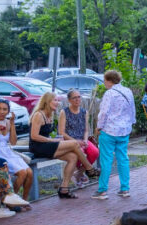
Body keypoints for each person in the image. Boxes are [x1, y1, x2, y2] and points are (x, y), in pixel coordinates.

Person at [29, 91, 99, 199]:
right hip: (38, 147)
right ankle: (89, 169)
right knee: (75, 144)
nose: (57, 102)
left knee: (73, 157)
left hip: (47, 145)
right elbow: (34, 136)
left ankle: (64, 189)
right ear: (47, 102)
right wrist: (51, 140)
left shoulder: (50, 115)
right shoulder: (39, 114)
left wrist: (54, 139)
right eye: (55, 100)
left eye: (58, 100)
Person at [93, 70, 136, 200]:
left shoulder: (109, 93)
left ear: (108, 80)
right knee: (123, 158)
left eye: (105, 80)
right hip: (124, 130)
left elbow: (104, 112)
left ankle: (102, 190)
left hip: (109, 130)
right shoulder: (128, 91)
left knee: (106, 160)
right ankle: (125, 188)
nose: (104, 83)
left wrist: (99, 126)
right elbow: (132, 109)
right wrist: (130, 123)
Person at [0, 99, 34, 206]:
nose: (1, 112)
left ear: (8, 112)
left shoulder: (8, 122)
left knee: (29, 172)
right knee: (22, 173)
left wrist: (12, 124)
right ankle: (12, 202)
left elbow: (13, 142)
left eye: (4, 109)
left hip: (8, 151)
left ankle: (24, 200)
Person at [58, 89, 99, 185]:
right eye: (74, 98)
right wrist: (76, 141)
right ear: (69, 100)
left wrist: (85, 140)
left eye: (79, 97)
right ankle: (78, 173)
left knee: (95, 152)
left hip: (82, 139)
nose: (77, 99)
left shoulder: (85, 112)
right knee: (81, 152)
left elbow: (86, 130)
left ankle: (79, 173)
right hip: (69, 141)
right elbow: (61, 132)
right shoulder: (64, 112)